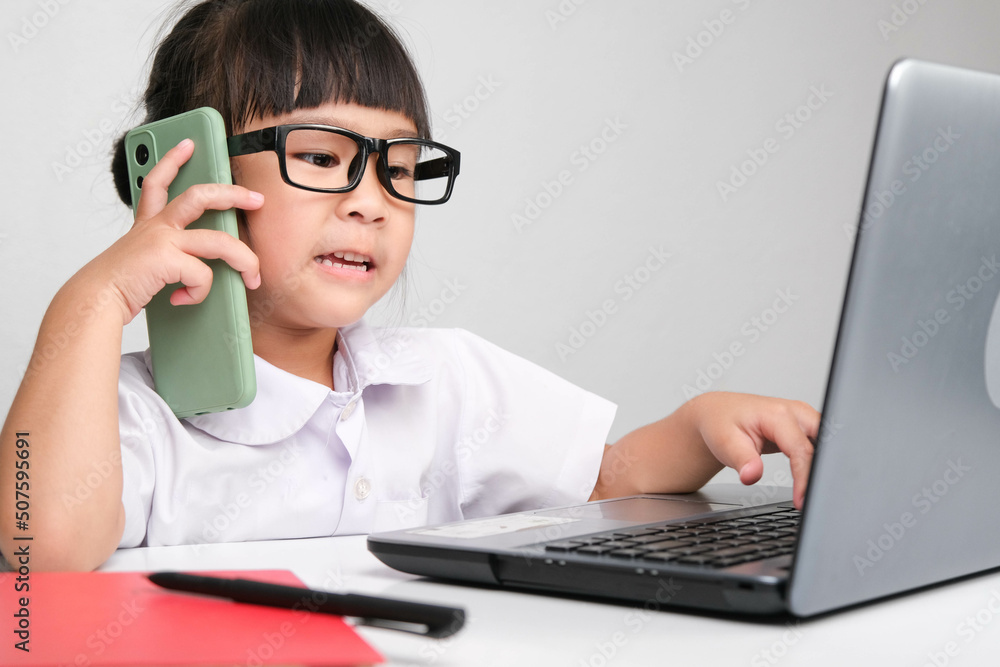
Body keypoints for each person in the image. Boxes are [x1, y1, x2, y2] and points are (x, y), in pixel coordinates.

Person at [0, 0, 818, 572]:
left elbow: (609, 481)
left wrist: (701, 427)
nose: (372, 201)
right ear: (192, 174)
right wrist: (91, 303)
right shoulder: (126, 415)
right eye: (321, 157)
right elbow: (45, 546)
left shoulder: (442, 379)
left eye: (398, 167)